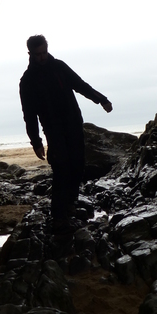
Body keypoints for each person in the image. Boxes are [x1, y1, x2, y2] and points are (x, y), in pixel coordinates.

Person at [19, 35, 112, 235]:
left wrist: (102, 99)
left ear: (47, 49)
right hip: (53, 130)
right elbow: (29, 115)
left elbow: (80, 85)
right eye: (38, 55)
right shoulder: (27, 81)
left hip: (73, 123)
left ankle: (71, 203)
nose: (42, 57)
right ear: (31, 54)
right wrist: (36, 141)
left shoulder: (59, 67)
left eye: (44, 52)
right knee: (61, 169)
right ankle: (59, 217)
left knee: (78, 165)